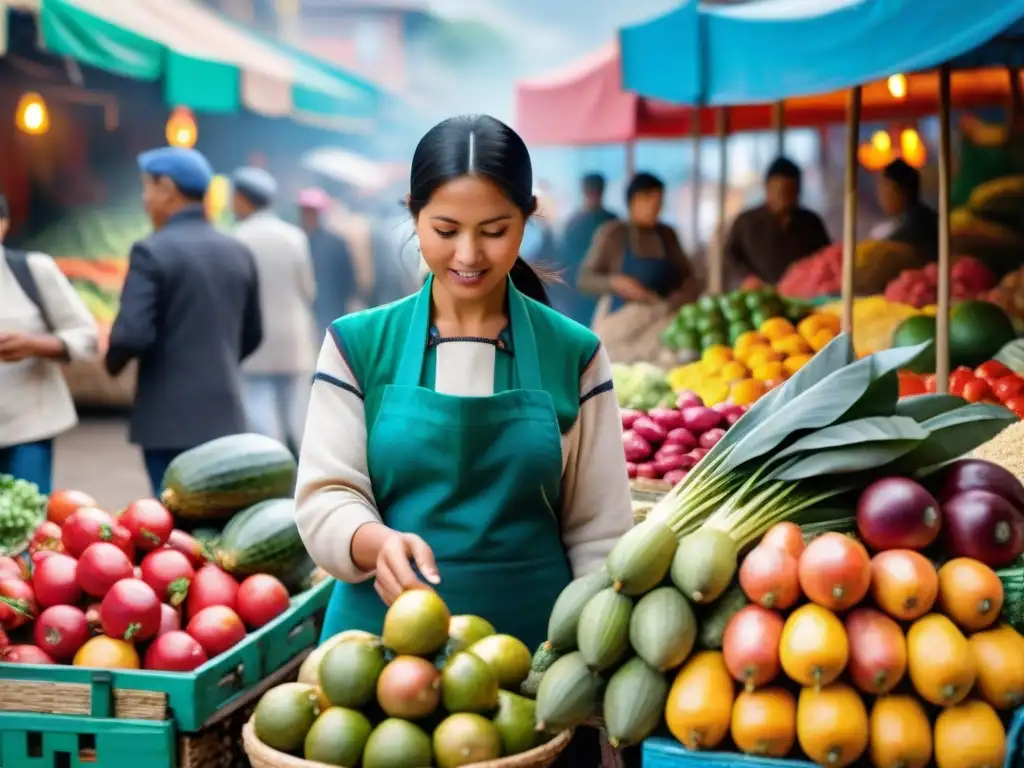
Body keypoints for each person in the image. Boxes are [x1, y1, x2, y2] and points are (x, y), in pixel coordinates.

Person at [295, 115, 633, 767]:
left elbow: (600, 536)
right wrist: (373, 540)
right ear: (414, 217)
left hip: (528, 679)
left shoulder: (577, 354)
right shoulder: (357, 345)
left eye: (495, 231)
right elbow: (325, 495)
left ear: (527, 222)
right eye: (445, 231)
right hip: (374, 679)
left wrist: (588, 673)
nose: (469, 256)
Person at [106, 148, 263, 495]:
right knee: (219, 534)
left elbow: (132, 333)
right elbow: (253, 333)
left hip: (167, 422)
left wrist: (112, 363)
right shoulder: (237, 251)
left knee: (173, 537)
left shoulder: (152, 250)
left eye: (147, 188)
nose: (145, 199)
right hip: (225, 416)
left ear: (166, 189)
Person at [0, 195, 99, 492]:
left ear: (3, 225)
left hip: (28, 428)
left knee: (27, 526)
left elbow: (87, 336)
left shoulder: (33, 270)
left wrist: (36, 344)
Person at [232, 169, 318, 453]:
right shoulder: (294, 236)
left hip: (256, 342)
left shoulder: (237, 238)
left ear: (244, 200)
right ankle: (308, 476)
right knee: (298, 414)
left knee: (261, 411)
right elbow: (309, 289)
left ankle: (275, 469)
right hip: (294, 338)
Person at [577, 171, 699, 363]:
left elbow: (689, 279)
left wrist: (676, 301)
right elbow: (584, 279)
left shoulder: (668, 235)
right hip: (621, 323)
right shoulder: (613, 233)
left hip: (661, 324)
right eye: (651, 200)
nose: (657, 208)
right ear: (634, 200)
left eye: (660, 202)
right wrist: (614, 282)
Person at [724, 157, 832, 285]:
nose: (784, 198)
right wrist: (746, 278)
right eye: (780, 191)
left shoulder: (811, 222)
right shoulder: (745, 221)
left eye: (790, 192)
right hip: (757, 293)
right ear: (767, 187)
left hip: (802, 294)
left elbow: (826, 258)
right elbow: (730, 257)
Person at [555, 173, 617, 325]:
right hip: (582, 292)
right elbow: (564, 261)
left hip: (604, 289)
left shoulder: (612, 223)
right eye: (592, 191)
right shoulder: (611, 221)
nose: (594, 195)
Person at [300, 188, 359, 331]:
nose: (308, 216)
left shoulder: (336, 242)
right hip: (305, 311)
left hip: (332, 309)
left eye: (312, 212)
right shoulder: (297, 241)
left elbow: (348, 278)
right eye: (305, 212)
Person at [874, 158, 939, 255]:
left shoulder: (913, 230)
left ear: (898, 189)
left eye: (883, 188)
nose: (880, 197)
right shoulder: (923, 217)